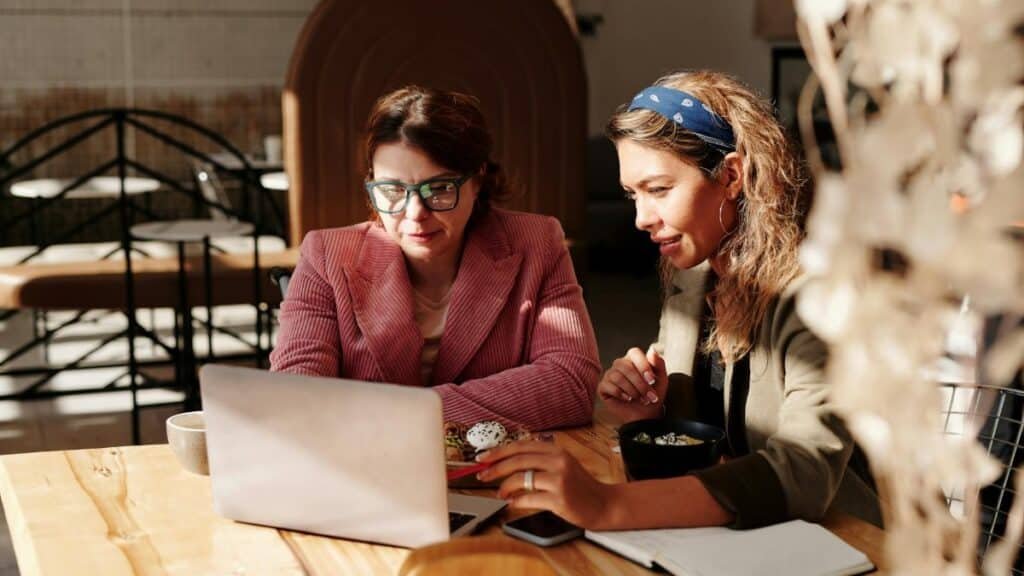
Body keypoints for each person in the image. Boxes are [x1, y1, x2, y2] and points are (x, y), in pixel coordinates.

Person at [478, 71, 882, 529]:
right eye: (633, 195)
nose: (641, 218)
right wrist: (651, 412)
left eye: (659, 190)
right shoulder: (692, 280)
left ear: (731, 176)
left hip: (843, 539)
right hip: (730, 539)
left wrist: (608, 506)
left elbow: (806, 472)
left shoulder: (822, 296)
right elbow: (705, 443)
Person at [270, 86, 601, 431]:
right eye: (393, 190)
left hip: (500, 474)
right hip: (369, 473)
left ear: (477, 181)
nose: (415, 213)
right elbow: (296, 396)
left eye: (440, 188)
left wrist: (410, 411)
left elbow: (571, 383)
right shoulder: (327, 255)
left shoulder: (536, 243)